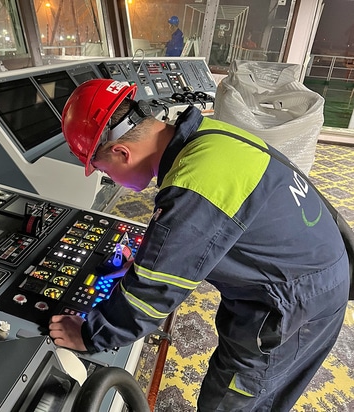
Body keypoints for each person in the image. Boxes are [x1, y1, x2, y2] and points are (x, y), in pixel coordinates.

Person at [48, 79, 349, 411]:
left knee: (232, 398)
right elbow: (208, 230)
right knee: (267, 394)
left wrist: (90, 334)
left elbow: (152, 296)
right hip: (321, 266)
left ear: (121, 152)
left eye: (105, 172)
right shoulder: (208, 135)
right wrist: (154, 257)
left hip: (296, 299)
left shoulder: (194, 184)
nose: (111, 180)